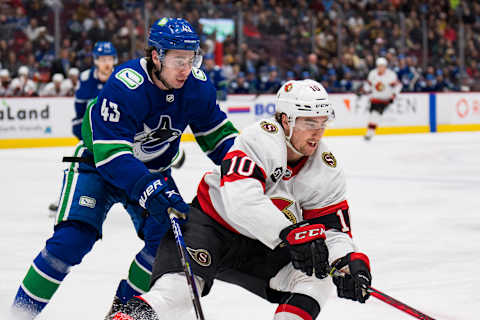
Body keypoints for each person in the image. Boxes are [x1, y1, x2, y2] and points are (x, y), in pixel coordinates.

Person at [11, 17, 238, 319]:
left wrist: (247, 166)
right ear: (156, 56)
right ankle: (17, 316)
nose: (186, 68)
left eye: (191, 58)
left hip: (154, 173)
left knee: (164, 248)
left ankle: (121, 314)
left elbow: (219, 138)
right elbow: (110, 154)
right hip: (98, 168)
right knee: (71, 242)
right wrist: (147, 187)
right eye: (178, 59)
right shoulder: (126, 84)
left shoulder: (196, 87)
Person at [112, 80, 372, 320]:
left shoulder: (326, 168)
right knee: (176, 295)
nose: (317, 132)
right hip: (209, 228)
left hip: (262, 246)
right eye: (309, 123)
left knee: (319, 276)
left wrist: (348, 260)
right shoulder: (259, 138)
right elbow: (241, 200)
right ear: (285, 120)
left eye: (322, 122)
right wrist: (290, 232)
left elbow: (334, 231)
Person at [47, 42, 118, 217]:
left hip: (118, 137)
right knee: (78, 164)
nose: (106, 63)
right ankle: (67, 197)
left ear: (114, 60)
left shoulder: (122, 78)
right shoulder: (86, 80)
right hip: (92, 139)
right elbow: (79, 113)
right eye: (102, 59)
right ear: (95, 61)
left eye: (109, 59)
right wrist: (83, 133)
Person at [362, 57, 402, 141]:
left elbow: (398, 86)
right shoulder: (372, 74)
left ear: (385, 66)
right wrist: (363, 90)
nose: (381, 68)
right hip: (375, 99)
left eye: (383, 66)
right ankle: (370, 132)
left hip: (385, 100)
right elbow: (368, 85)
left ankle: (370, 133)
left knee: (375, 115)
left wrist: (393, 95)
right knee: (373, 116)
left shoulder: (391, 75)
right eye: (379, 66)